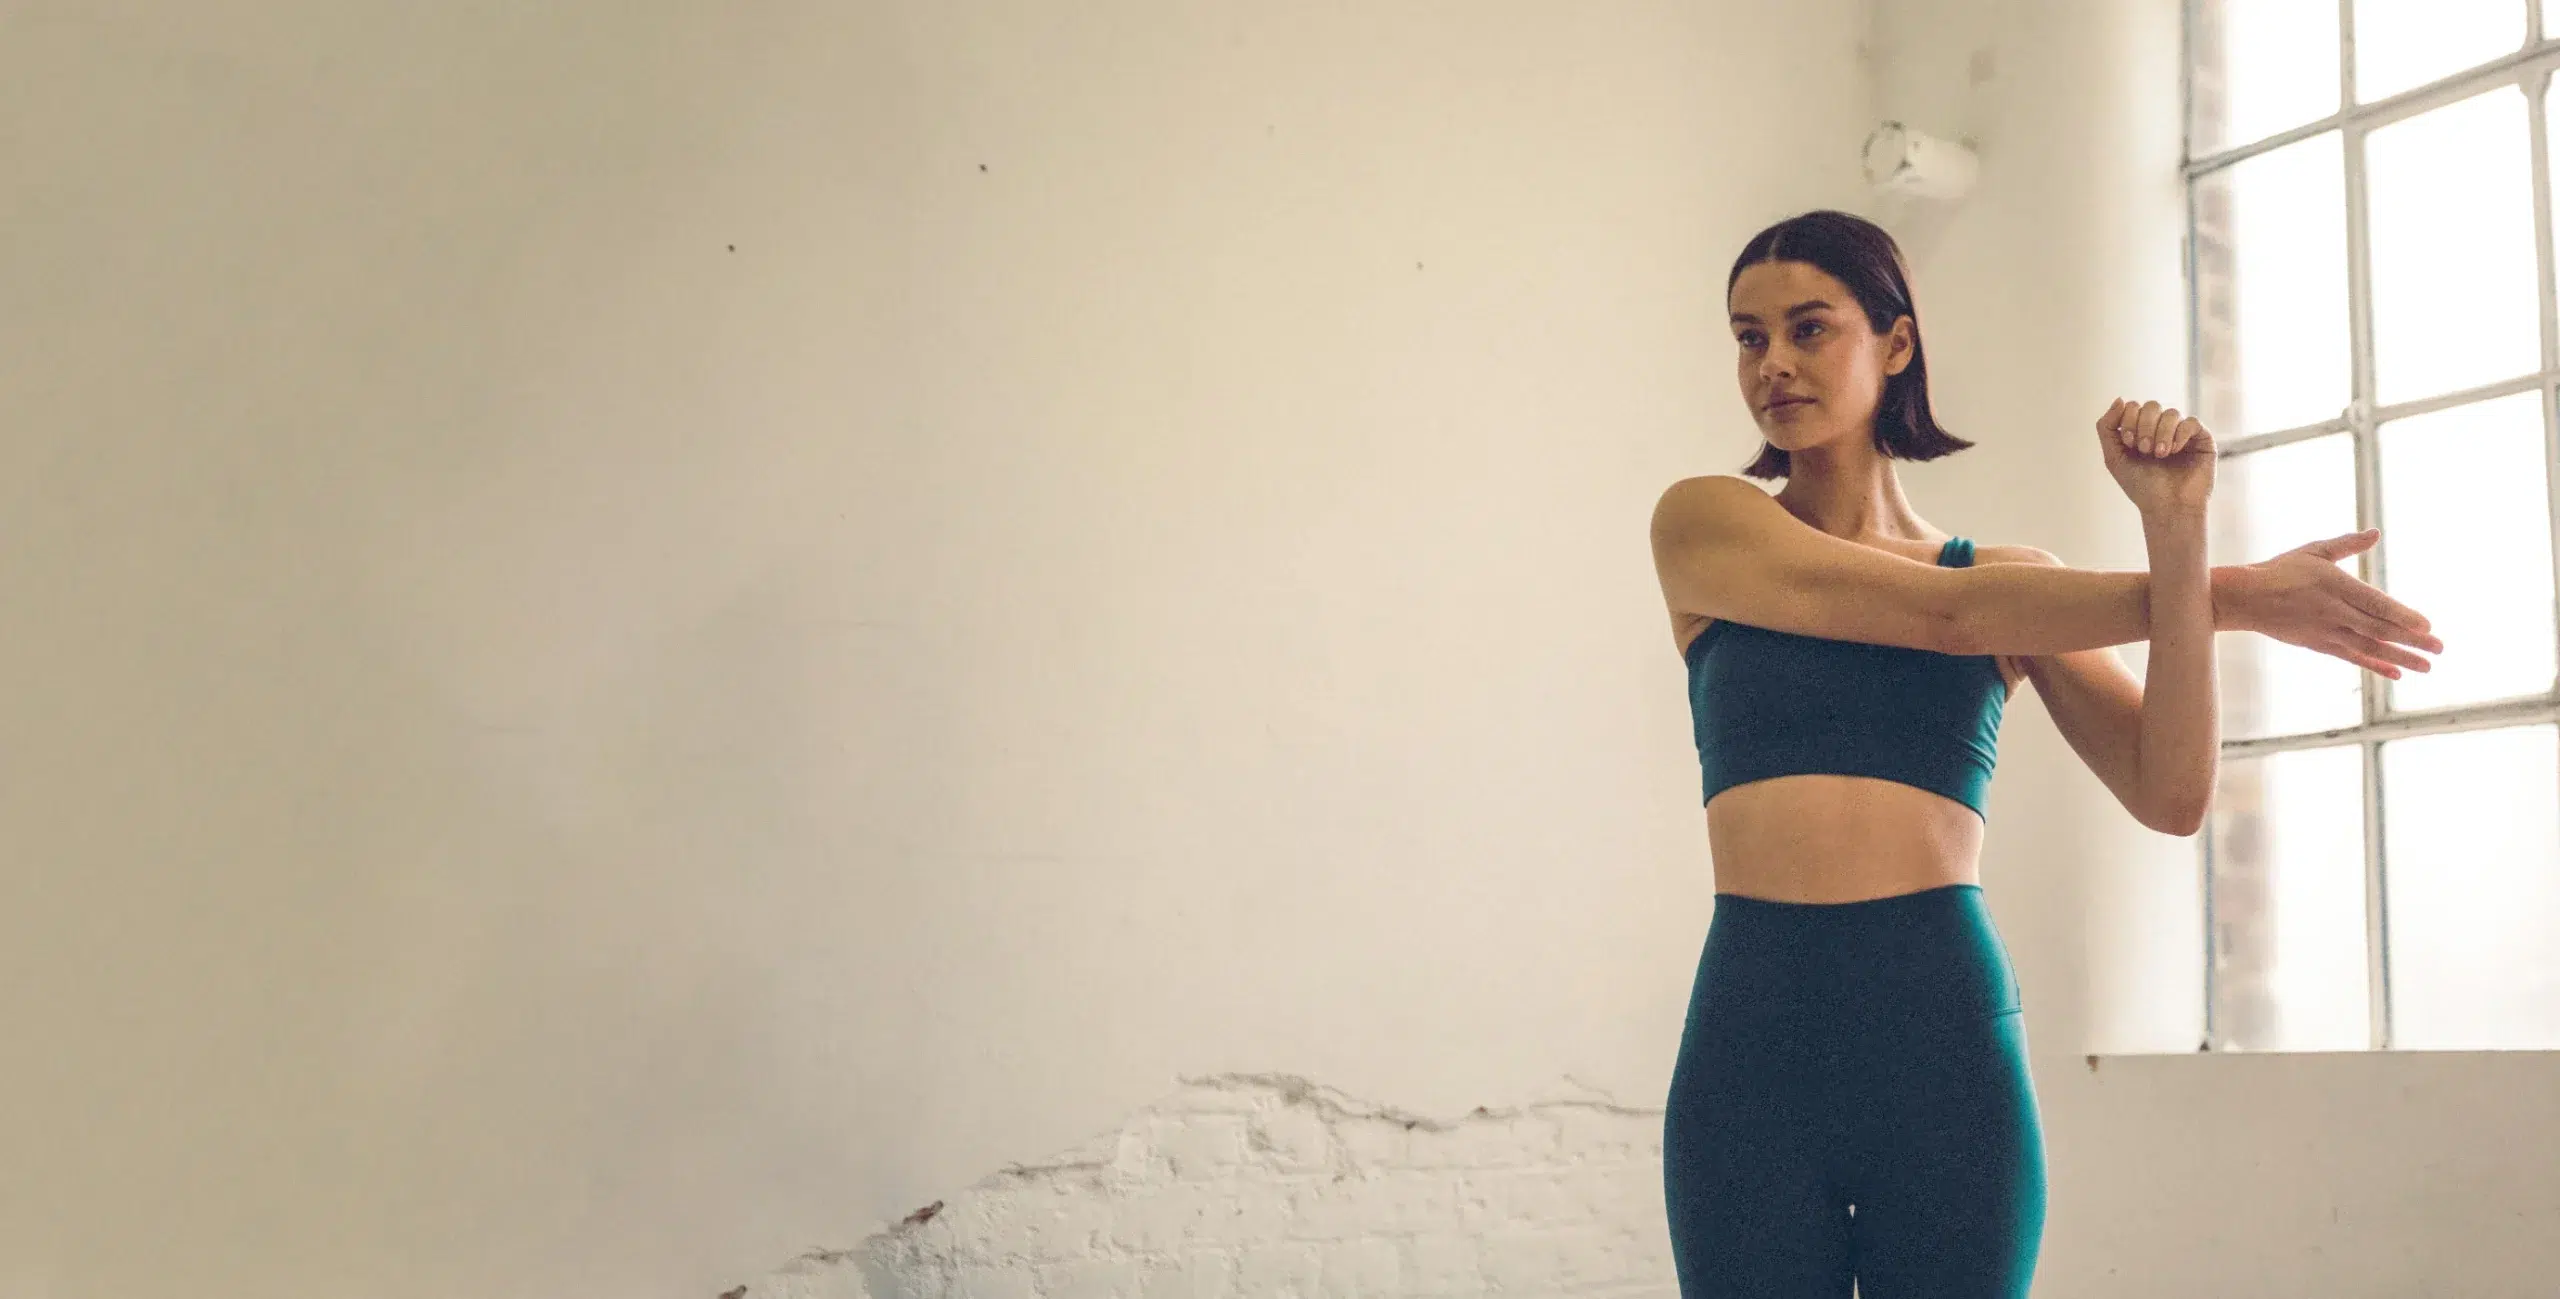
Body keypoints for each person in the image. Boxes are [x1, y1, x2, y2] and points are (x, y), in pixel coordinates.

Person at [1646, 209, 2443, 1298]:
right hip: (1756, 1022)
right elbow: (1941, 619)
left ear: (1894, 341)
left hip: (1938, 1022)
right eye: (1747, 337)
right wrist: (2245, 597)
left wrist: (2179, 531)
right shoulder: (1706, 526)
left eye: (1808, 328)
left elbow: (2169, 794)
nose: (1772, 363)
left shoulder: (2011, 579)